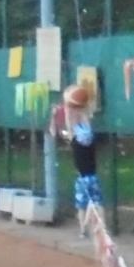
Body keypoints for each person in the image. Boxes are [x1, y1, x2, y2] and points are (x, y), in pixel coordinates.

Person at [57, 87, 103, 237]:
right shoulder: (90, 140)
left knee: (81, 206)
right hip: (93, 177)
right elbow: (86, 122)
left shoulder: (75, 140)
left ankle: (83, 231)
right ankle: (101, 228)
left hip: (81, 179)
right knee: (97, 204)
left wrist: (68, 104)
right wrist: (83, 109)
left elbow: (71, 123)